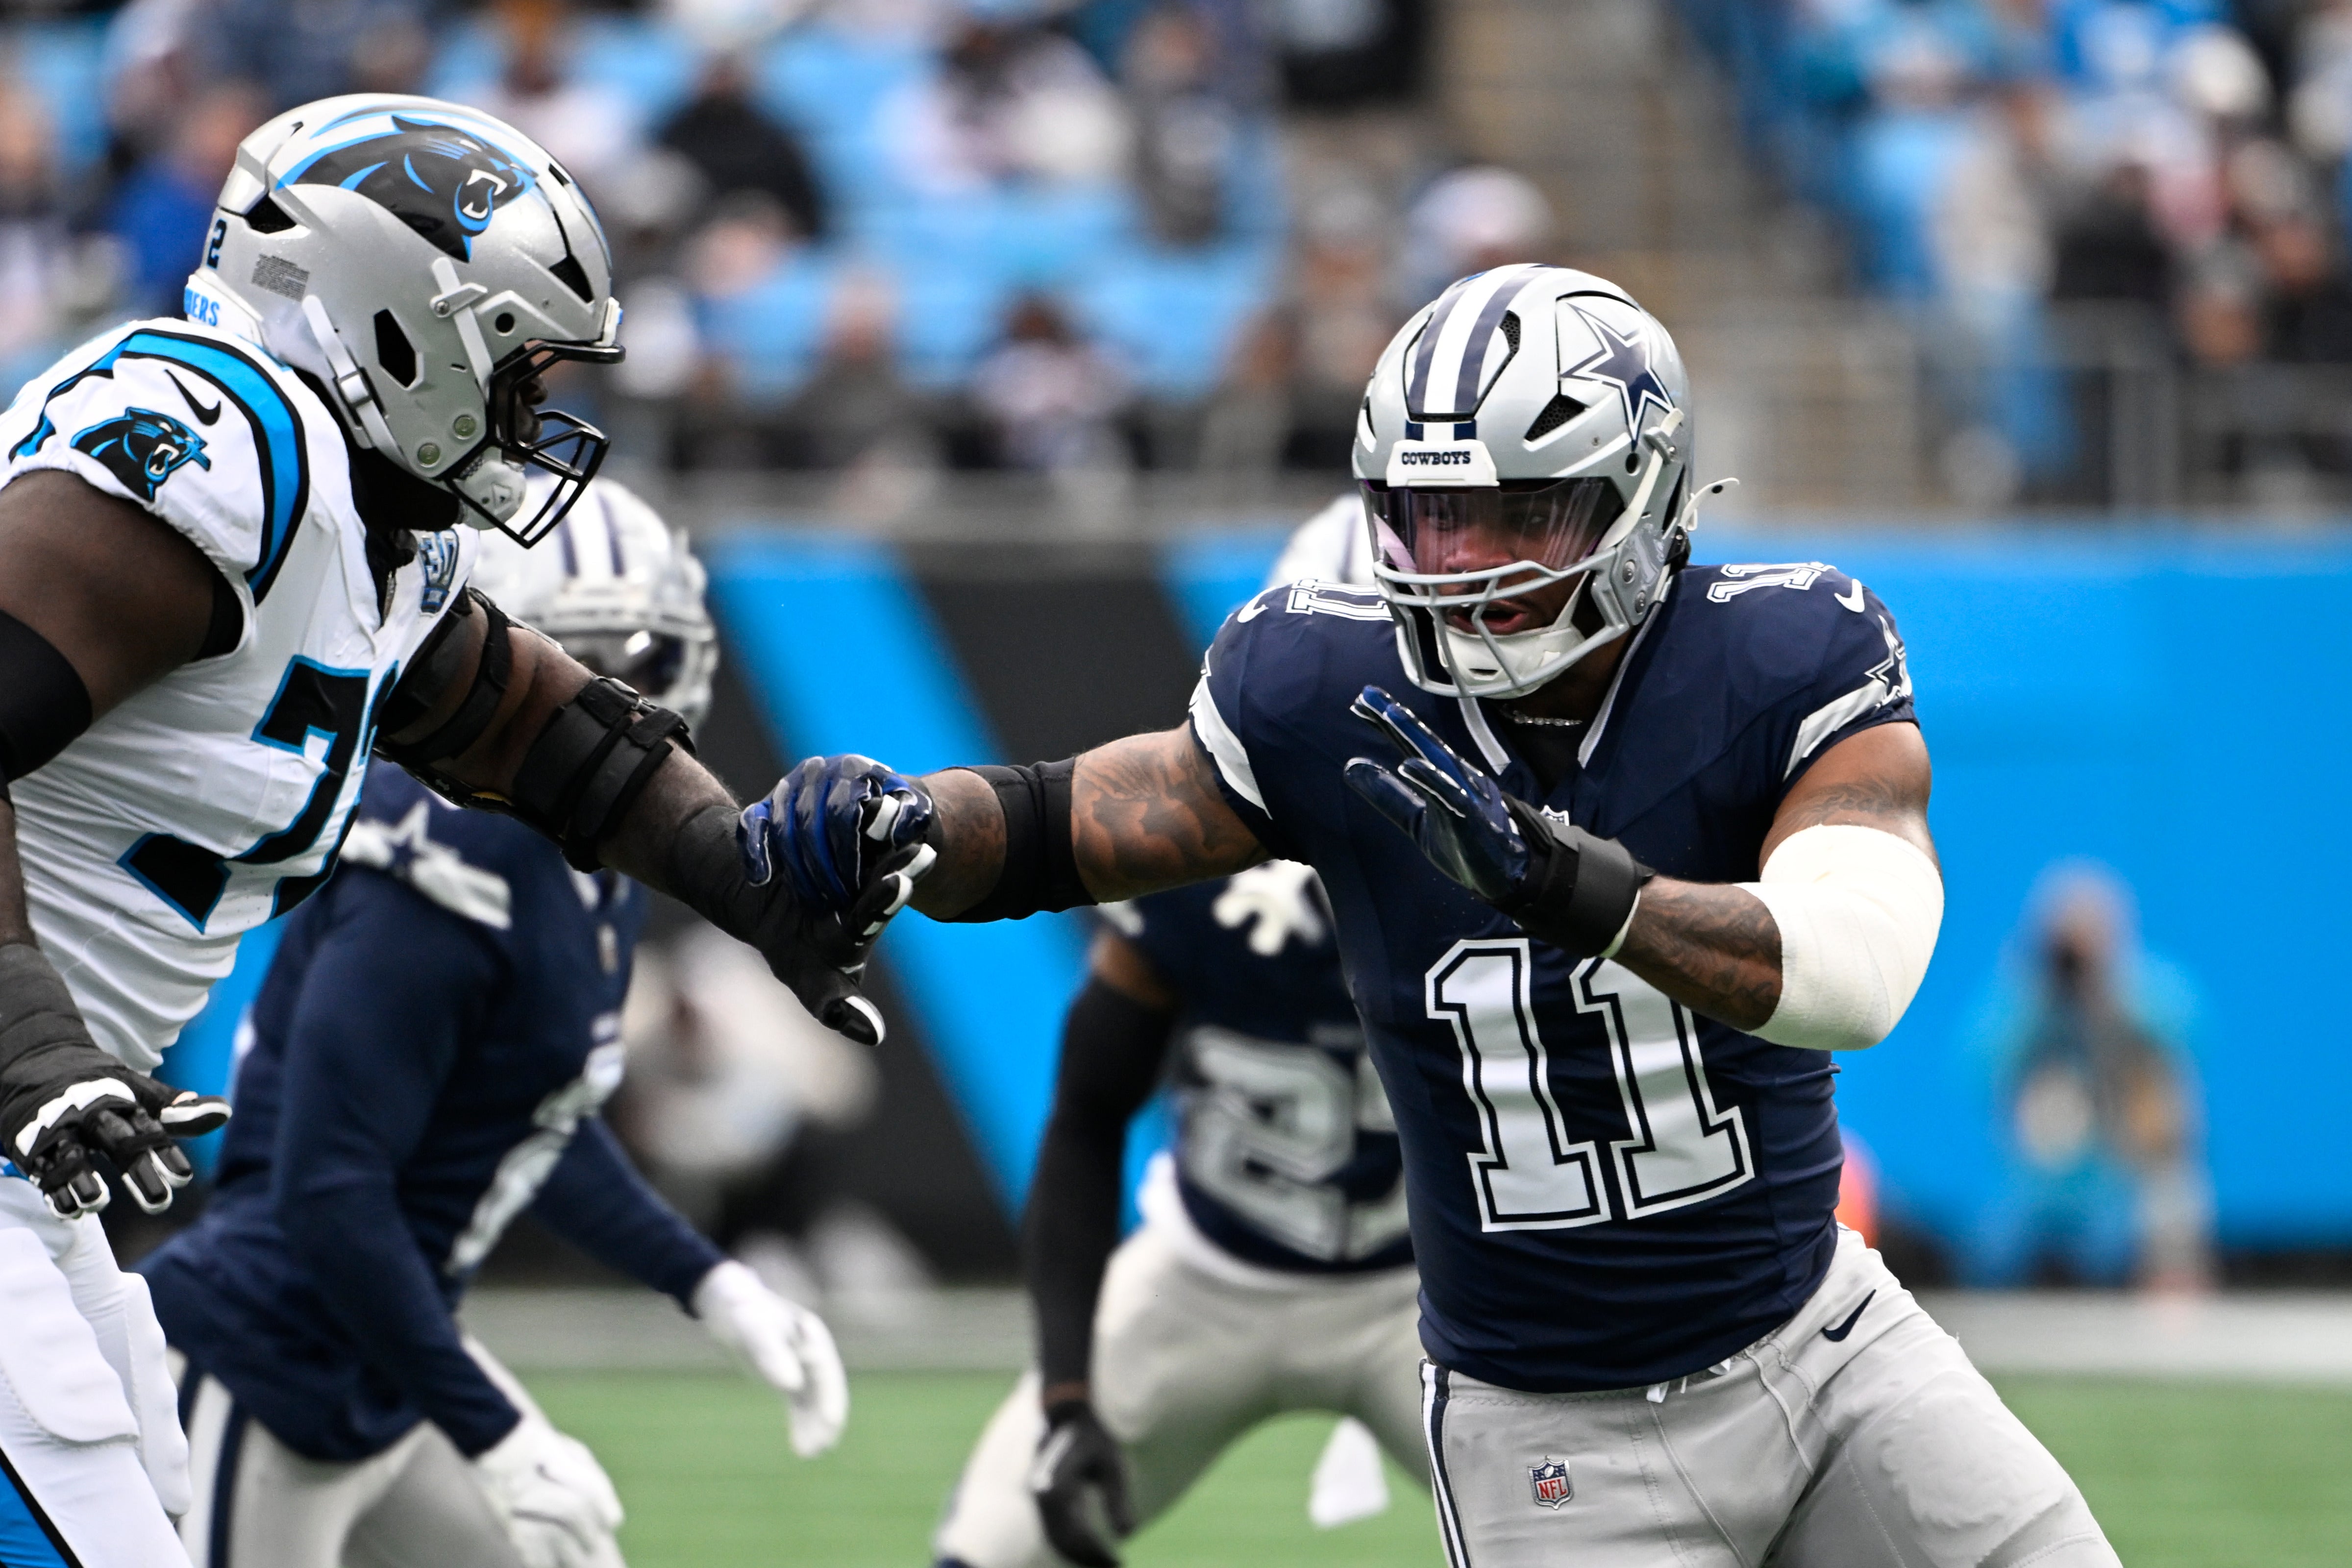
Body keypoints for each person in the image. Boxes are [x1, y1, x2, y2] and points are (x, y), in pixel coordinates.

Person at [747, 265, 2123, 1565]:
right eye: (1432, 513)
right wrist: (908, 821)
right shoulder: (1322, 686)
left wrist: (1574, 888)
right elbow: (1064, 822)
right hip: (1555, 1427)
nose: (1464, 563)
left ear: (1640, 500)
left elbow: (1860, 972)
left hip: (1824, 1340)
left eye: (1524, 517)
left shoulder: (1785, 654)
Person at [0, 92, 896, 1568]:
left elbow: (543, 730)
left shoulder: (363, 526)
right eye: (519, 367)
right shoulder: (226, 455)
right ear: (394, 329)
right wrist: (29, 1037)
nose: (537, 415)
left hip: (32, 1190)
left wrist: (748, 876)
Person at [138, 477, 848, 1568]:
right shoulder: (444, 864)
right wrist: (501, 1436)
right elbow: (327, 1190)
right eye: (590, 665)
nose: (627, 705)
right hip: (266, 1363)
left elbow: (536, 1120)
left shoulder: (592, 867)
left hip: (393, 1362)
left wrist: (711, 1283)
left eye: (648, 662)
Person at [934, 515, 1424, 1568]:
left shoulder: (1530, 869)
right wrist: (1068, 1396)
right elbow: (1086, 1117)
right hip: (1211, 1273)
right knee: (994, 1549)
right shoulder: (1205, 863)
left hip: (1439, 1290)